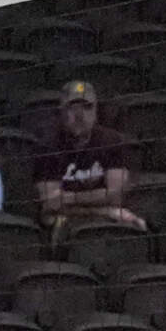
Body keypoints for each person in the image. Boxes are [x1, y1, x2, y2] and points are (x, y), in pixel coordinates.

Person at [34, 80, 140, 232]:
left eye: (87, 107)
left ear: (96, 111)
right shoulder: (48, 147)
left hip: (101, 221)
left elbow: (116, 197)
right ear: (61, 112)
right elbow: (50, 205)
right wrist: (104, 210)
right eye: (72, 108)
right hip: (66, 223)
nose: (80, 115)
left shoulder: (112, 141)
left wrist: (69, 198)